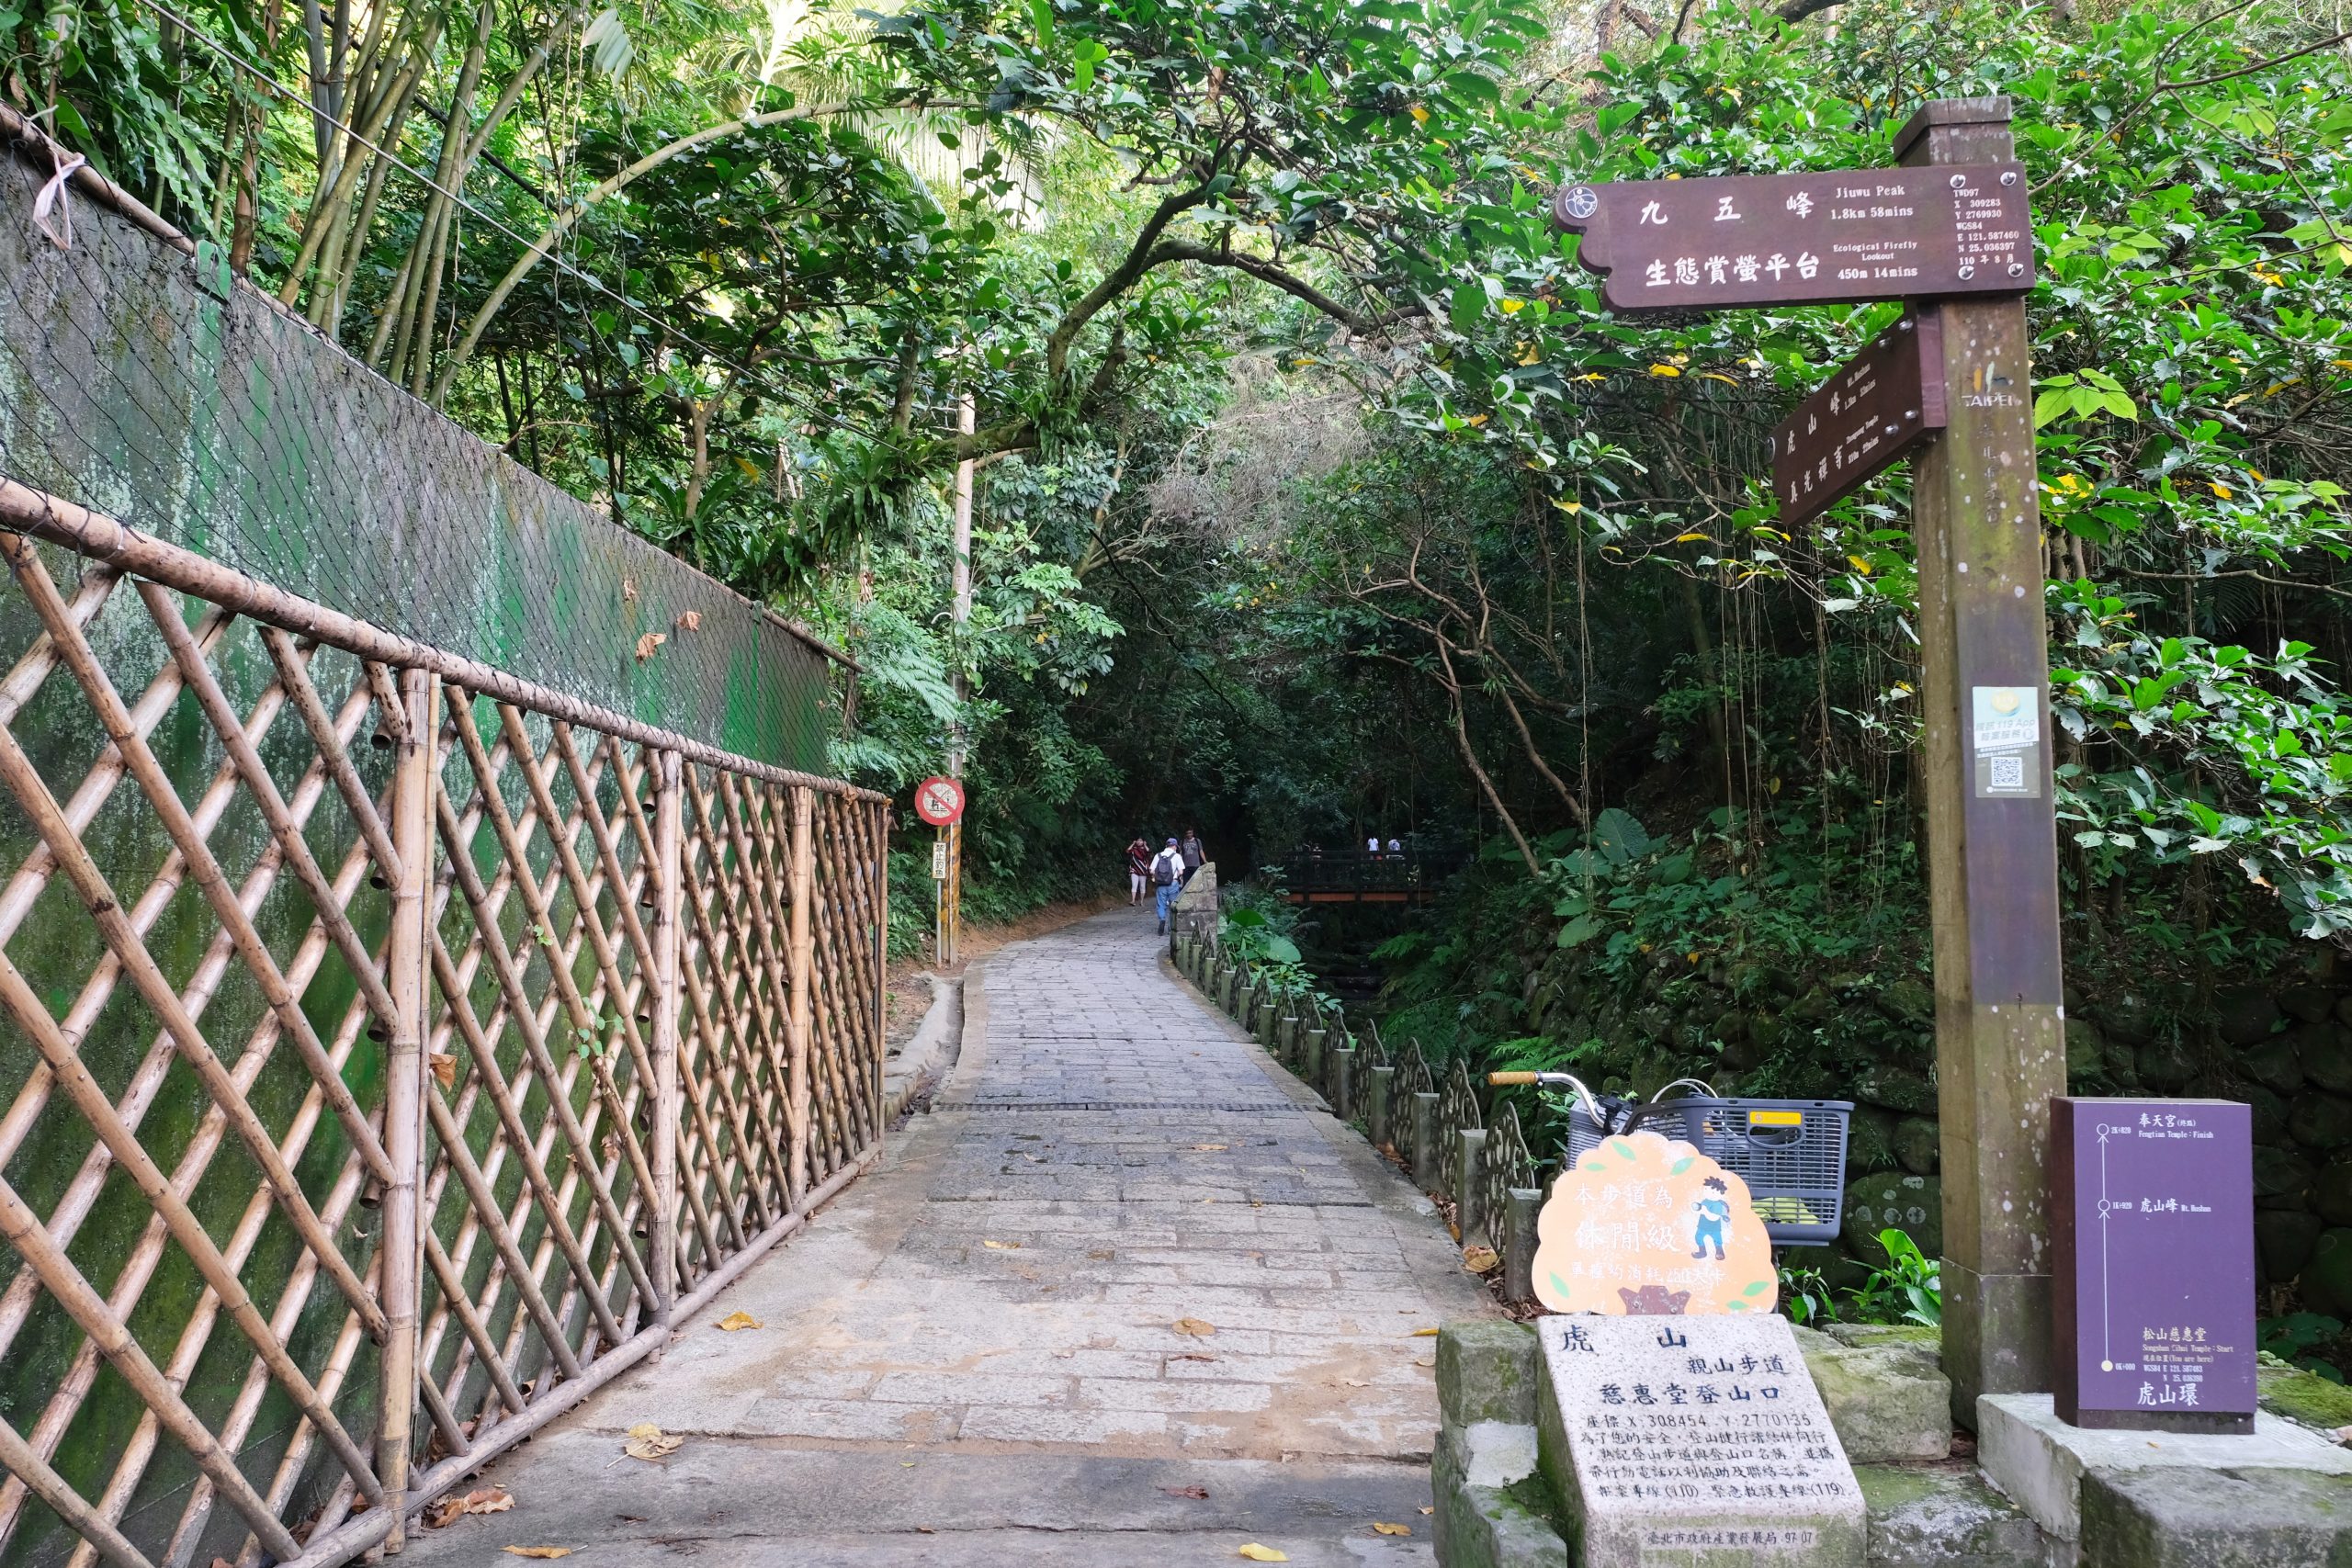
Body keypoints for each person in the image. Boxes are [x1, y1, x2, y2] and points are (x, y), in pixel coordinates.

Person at [1149, 837, 1187, 933]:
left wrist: (1156, 877)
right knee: (1173, 905)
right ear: (1174, 846)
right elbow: (1181, 872)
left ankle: (1162, 919)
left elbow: (1151, 870)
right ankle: (1171, 928)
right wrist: (1174, 876)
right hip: (1173, 884)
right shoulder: (1177, 856)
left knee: (1161, 904)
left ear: (1166, 845)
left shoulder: (1158, 855)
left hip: (1161, 884)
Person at [1125, 835, 1152, 905]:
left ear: (1143, 842)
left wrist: (1145, 845)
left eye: (1141, 841)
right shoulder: (1134, 849)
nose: (1139, 842)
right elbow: (1127, 851)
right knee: (1134, 885)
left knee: (1142, 886)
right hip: (1134, 869)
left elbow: (1149, 851)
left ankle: (1142, 901)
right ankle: (1133, 900)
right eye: (1138, 840)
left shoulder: (1145, 849)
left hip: (1143, 870)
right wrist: (1133, 844)